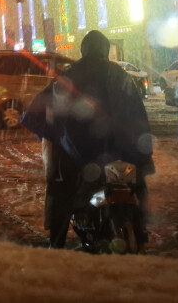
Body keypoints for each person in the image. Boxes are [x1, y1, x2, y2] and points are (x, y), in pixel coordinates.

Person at [21, 30, 154, 248]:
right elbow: (137, 114)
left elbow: (41, 109)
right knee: (136, 184)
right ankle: (142, 227)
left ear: (83, 51)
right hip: (122, 152)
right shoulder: (119, 75)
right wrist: (139, 148)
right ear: (105, 50)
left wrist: (49, 129)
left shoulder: (70, 75)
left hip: (78, 155)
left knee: (61, 189)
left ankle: (57, 240)